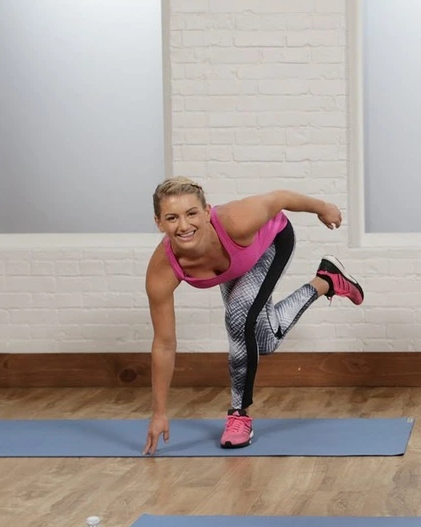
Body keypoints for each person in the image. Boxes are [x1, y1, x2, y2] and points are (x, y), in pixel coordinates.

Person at [142, 177, 364, 455]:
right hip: (236, 266)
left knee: (238, 319)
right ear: (159, 222)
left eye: (192, 214)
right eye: (172, 218)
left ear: (207, 211)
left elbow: (280, 197)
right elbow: (164, 344)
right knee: (264, 342)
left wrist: (323, 207)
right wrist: (159, 413)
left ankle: (239, 415)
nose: (184, 226)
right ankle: (326, 281)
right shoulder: (161, 270)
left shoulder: (237, 220)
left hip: (271, 242)